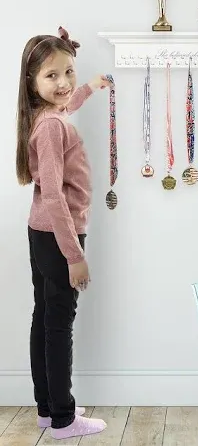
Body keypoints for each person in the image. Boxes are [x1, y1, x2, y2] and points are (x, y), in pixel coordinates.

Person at [16, 26, 110, 440]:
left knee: (45, 319)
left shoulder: (45, 116)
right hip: (59, 235)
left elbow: (67, 104)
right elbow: (54, 195)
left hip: (42, 233)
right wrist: (75, 255)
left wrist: (89, 86)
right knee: (59, 326)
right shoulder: (51, 127)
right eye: (52, 76)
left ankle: (47, 407)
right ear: (33, 82)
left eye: (68, 72)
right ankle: (64, 419)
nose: (63, 83)